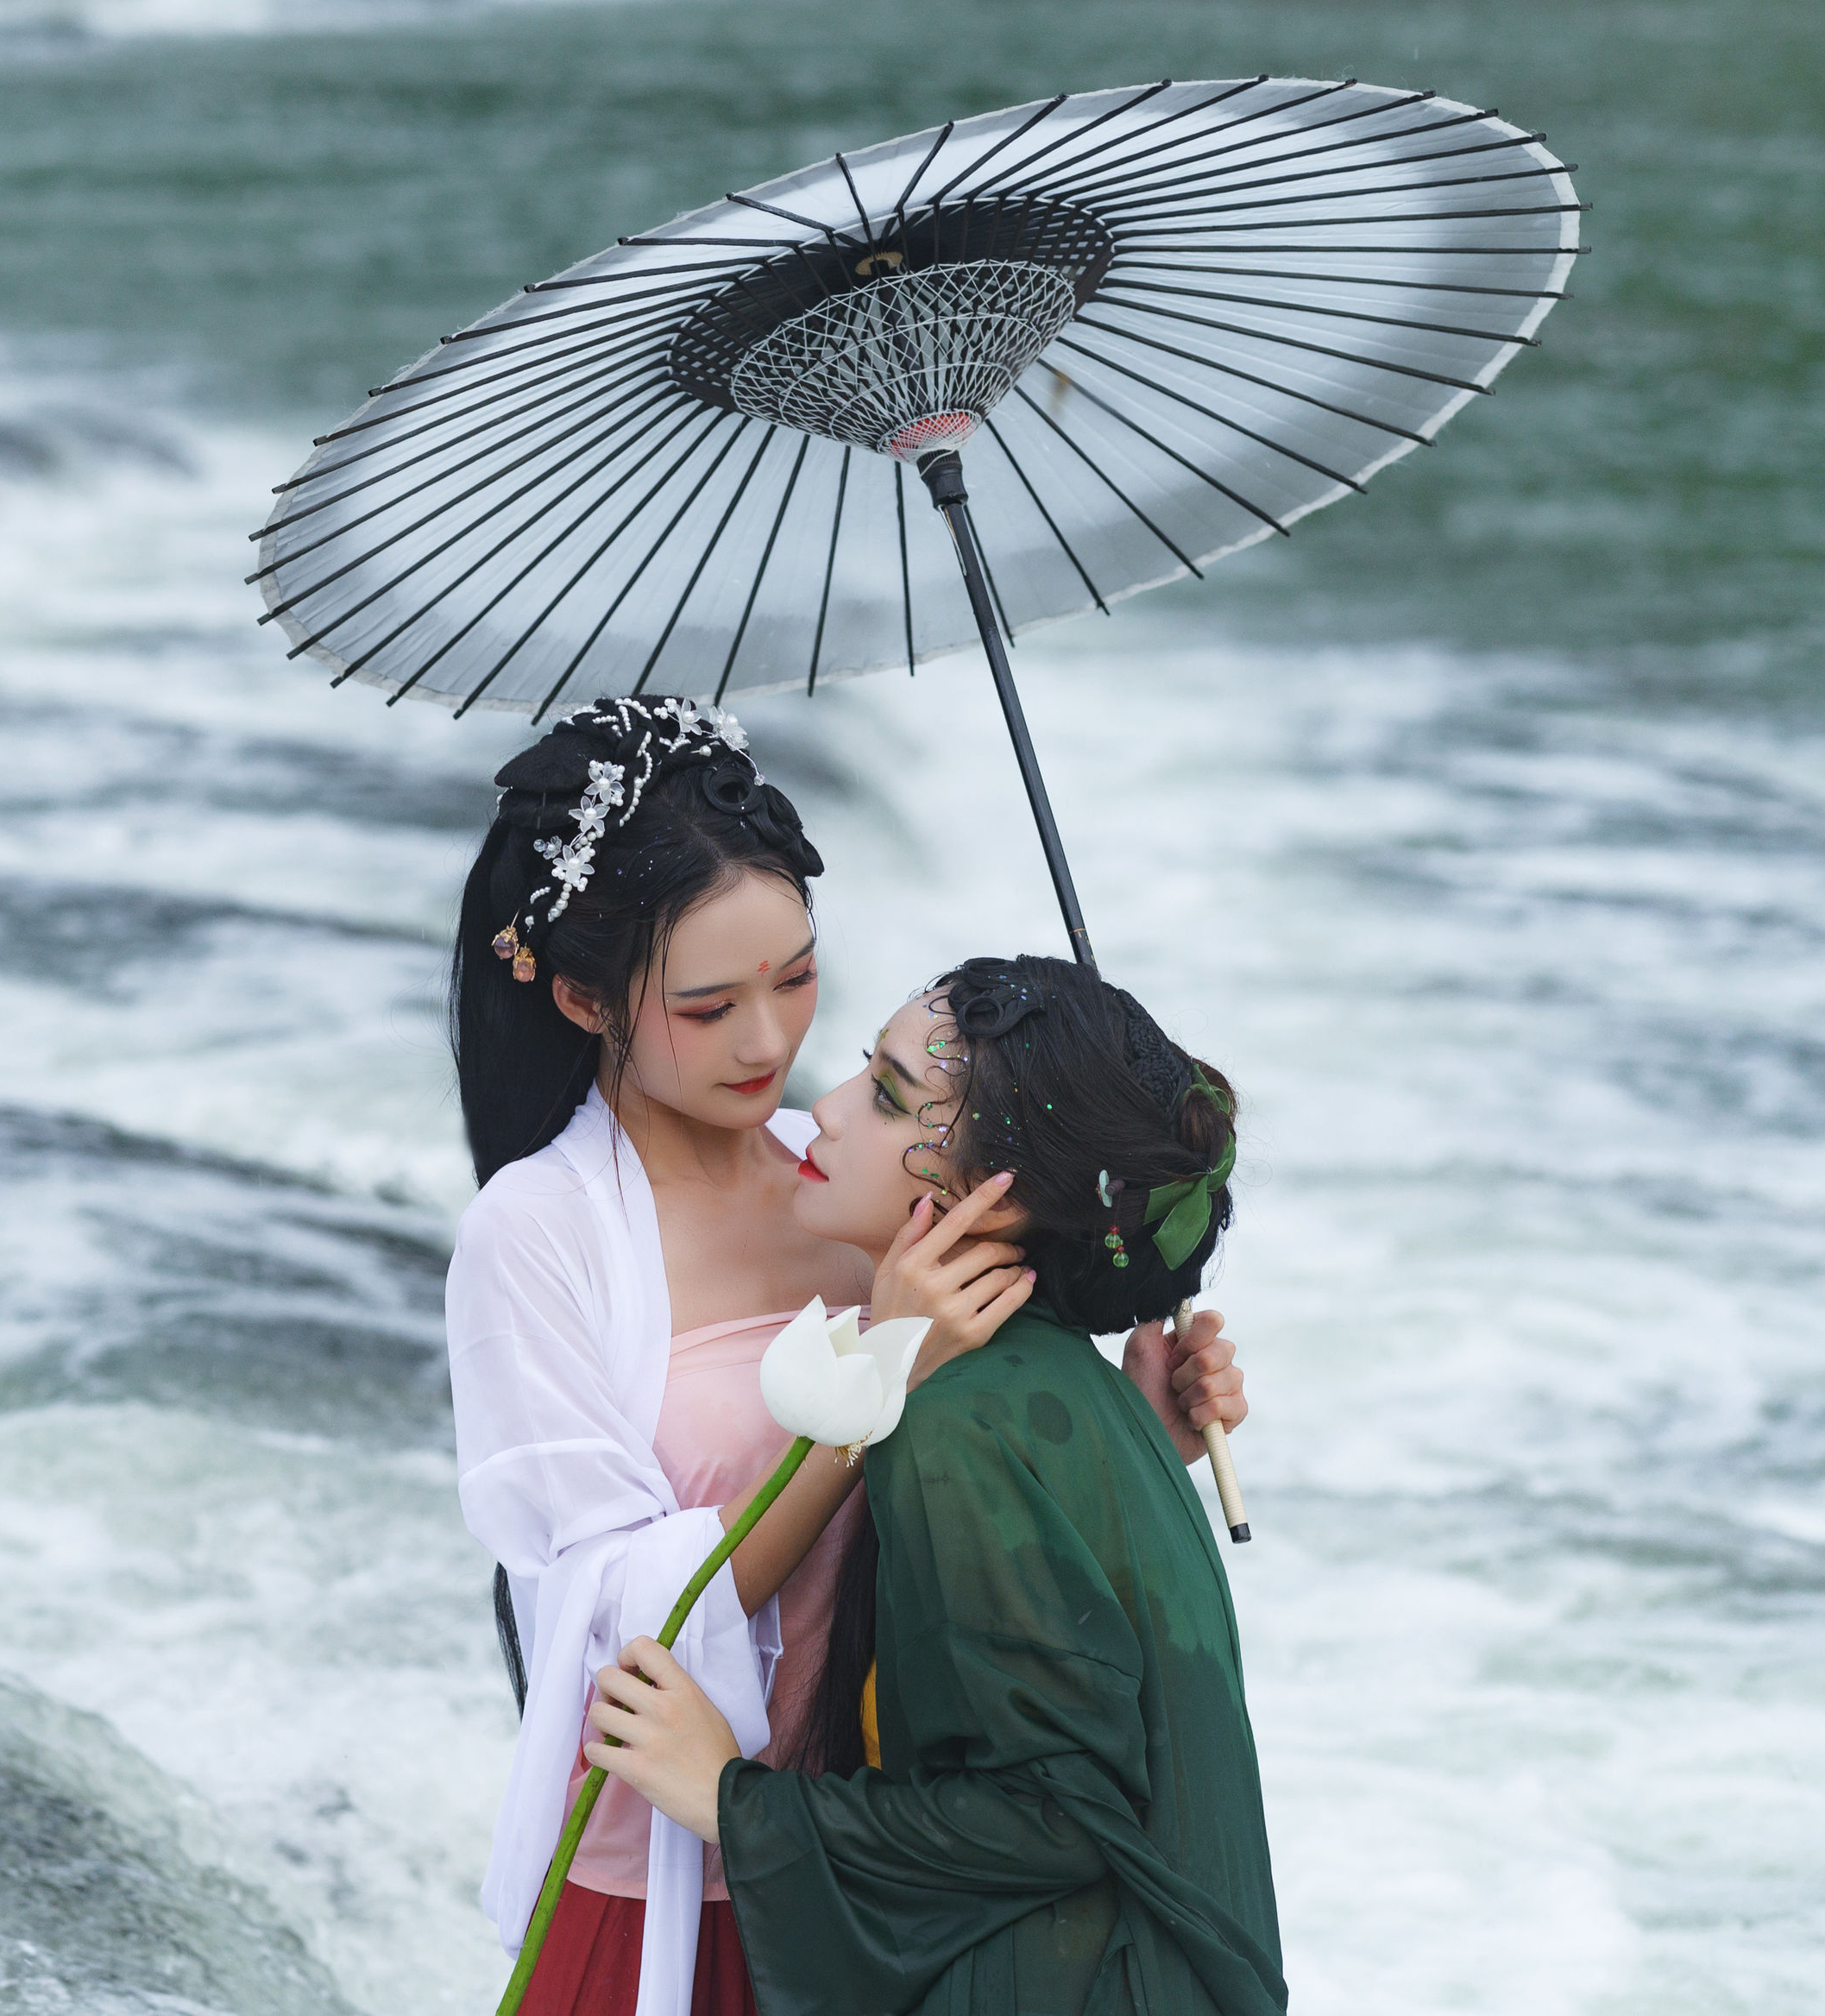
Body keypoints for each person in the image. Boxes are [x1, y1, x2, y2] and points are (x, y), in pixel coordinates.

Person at [446, 703, 1249, 2016]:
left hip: (867, 1862)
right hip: (665, 1872)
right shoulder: (534, 1237)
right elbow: (618, 1633)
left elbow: (952, 1495)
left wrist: (1121, 1430)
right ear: (585, 997)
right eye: (707, 1007)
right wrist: (870, 1382)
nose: (767, 1045)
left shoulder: (846, 1187)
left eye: (796, 978)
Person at [573, 956, 1287, 2016]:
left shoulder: (954, 1423)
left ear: (996, 1204)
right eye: (866, 1070)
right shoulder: (1063, 1388)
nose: (826, 1105)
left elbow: (1057, 1815)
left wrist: (732, 1801)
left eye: (889, 1095)